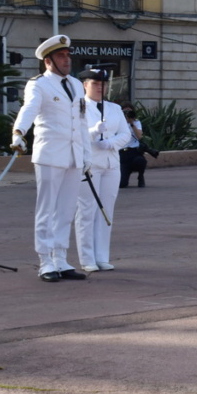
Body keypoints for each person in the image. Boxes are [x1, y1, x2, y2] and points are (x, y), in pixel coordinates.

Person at [10, 35, 92, 283]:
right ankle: (45, 261)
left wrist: (86, 154)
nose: (67, 60)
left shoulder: (77, 85)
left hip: (73, 155)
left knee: (66, 209)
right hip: (50, 155)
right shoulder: (39, 85)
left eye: (68, 55)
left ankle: (61, 259)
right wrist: (18, 132)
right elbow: (29, 109)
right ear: (48, 61)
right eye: (60, 56)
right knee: (46, 209)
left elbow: (81, 121)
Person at [74, 69, 130, 272]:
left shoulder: (114, 108)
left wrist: (111, 143)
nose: (100, 87)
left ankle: (102, 256)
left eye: (103, 84)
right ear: (84, 85)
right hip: (90, 165)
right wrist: (93, 132)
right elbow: (75, 136)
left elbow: (126, 134)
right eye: (95, 83)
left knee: (106, 210)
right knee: (87, 210)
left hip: (111, 163)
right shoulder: (79, 107)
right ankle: (87, 258)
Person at [118, 102, 150, 188]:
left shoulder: (136, 122)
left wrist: (132, 123)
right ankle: (126, 172)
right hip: (122, 154)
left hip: (133, 152)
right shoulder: (118, 122)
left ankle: (140, 176)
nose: (127, 114)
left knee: (140, 161)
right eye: (125, 112)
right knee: (122, 184)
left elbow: (139, 136)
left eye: (129, 111)